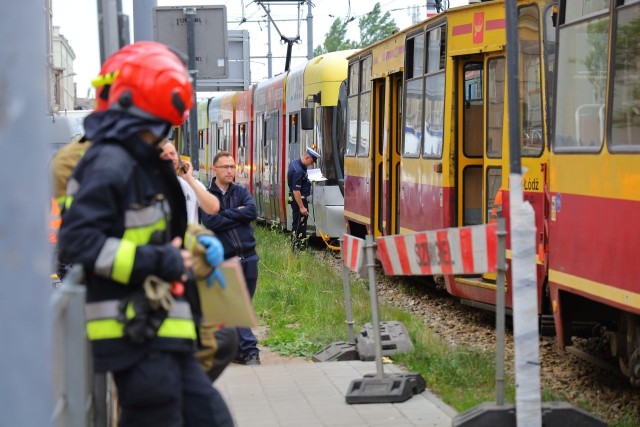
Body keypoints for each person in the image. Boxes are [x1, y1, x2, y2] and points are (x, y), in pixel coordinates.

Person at [57, 43, 233, 426]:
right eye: (165, 124)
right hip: (136, 334)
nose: (165, 135)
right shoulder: (111, 161)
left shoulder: (132, 161)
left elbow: (143, 230)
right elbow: (79, 241)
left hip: (158, 331)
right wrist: (162, 260)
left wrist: (189, 243)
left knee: (212, 419)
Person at [201, 151, 261, 366]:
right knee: (238, 304)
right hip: (227, 260)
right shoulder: (206, 195)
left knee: (244, 304)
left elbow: (252, 212)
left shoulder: (241, 191)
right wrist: (237, 213)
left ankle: (234, 349)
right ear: (214, 169)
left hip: (249, 257)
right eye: (225, 167)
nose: (230, 171)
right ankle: (251, 351)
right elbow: (211, 222)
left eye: (232, 167)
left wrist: (224, 214)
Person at [161, 140, 220, 223]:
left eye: (172, 154)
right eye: (164, 156)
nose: (170, 158)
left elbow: (213, 208)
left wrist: (189, 179)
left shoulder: (189, 183)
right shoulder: (148, 185)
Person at [287, 146, 320, 250]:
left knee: (301, 224)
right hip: (299, 201)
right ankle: (297, 249)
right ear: (307, 157)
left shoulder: (295, 163)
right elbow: (296, 190)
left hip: (299, 200)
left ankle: (300, 247)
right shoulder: (298, 171)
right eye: (311, 162)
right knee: (298, 225)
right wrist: (302, 207)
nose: (311, 165)